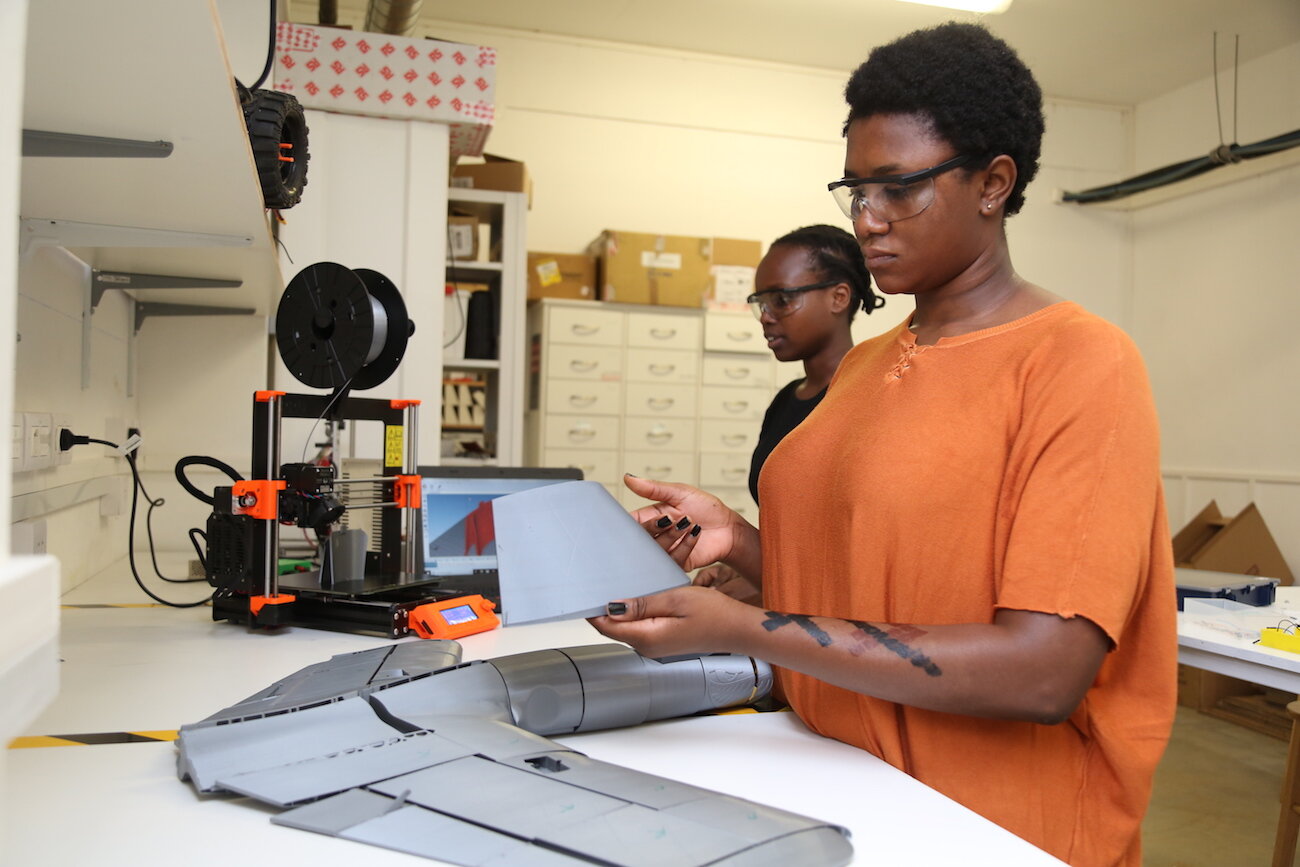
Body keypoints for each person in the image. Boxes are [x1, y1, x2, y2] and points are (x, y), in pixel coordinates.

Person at [593, 21, 1176, 867]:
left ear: (994, 183)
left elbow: (1043, 672)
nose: (867, 220)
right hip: (836, 780)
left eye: (898, 189)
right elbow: (868, 579)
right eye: (855, 190)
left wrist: (746, 627)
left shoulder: (1079, 362)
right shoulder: (866, 365)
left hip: (988, 825)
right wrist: (742, 545)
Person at [694, 225, 879, 603]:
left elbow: (858, 544)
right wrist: (748, 565)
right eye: (761, 302)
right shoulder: (785, 401)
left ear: (839, 297)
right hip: (783, 606)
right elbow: (792, 531)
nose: (766, 316)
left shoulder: (872, 398)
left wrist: (768, 583)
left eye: (781, 299)